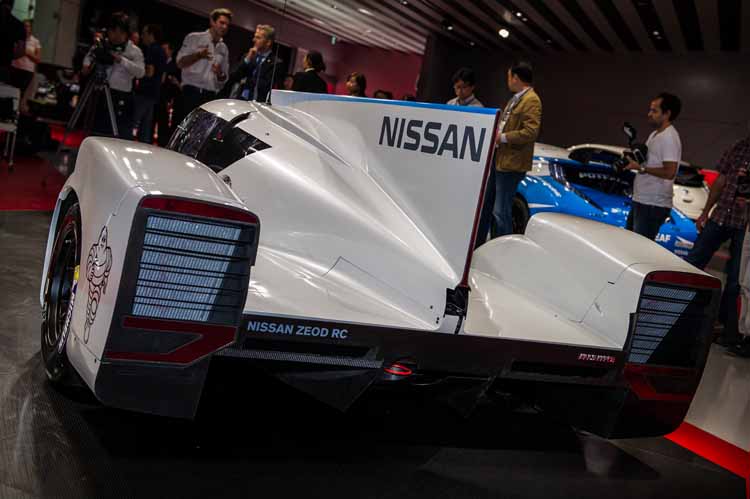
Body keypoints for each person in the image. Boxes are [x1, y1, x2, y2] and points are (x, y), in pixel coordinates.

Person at [685, 134, 750, 348]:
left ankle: (727, 329)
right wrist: (705, 212)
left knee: (736, 280)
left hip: (744, 223)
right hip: (721, 215)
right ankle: (680, 309)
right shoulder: (738, 146)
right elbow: (721, 180)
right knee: (693, 262)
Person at [486, 61, 542, 239]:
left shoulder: (532, 100)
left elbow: (530, 132)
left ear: (516, 78)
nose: (508, 81)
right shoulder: (516, 99)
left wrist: (502, 137)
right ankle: (494, 243)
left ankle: (504, 247)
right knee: (494, 209)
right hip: (500, 159)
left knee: (501, 211)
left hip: (512, 163)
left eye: (509, 77)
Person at [623, 93, 683, 241]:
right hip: (642, 200)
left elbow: (670, 172)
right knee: (629, 245)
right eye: (650, 110)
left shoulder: (669, 137)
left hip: (652, 204)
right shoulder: (655, 134)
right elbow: (649, 163)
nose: (649, 114)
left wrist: (642, 168)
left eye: (654, 111)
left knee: (639, 248)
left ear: (667, 114)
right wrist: (635, 161)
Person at [81, 12, 144, 138]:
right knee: (95, 133)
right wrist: (88, 65)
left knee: (118, 135)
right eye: (112, 31)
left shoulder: (134, 51)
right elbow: (87, 62)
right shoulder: (101, 45)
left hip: (121, 97)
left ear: (126, 34)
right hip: (99, 94)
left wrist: (121, 60)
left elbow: (141, 73)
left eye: (120, 32)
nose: (116, 35)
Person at [177, 8, 231, 114]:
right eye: (222, 23)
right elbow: (180, 63)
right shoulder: (194, 38)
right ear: (212, 21)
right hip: (190, 92)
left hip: (209, 97)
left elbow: (224, 77)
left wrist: (219, 73)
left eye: (227, 25)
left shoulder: (224, 48)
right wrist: (198, 55)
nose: (224, 27)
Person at [223, 24, 282, 102]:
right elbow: (234, 76)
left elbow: (266, 85)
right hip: (240, 100)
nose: (254, 40)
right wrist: (247, 59)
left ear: (268, 42)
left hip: (259, 103)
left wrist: (246, 80)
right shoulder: (248, 56)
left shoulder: (276, 63)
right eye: (255, 37)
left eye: (258, 38)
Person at [132, 24, 166, 143]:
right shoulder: (161, 51)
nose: (142, 36)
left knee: (133, 121)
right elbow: (162, 76)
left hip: (145, 91)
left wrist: (137, 71)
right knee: (145, 128)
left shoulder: (152, 49)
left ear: (151, 35)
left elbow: (150, 72)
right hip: (154, 92)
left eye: (144, 34)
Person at [10, 19, 41, 113]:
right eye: (24, 26)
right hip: (15, 68)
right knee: (12, 90)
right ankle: (10, 110)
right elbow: (12, 53)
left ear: (31, 28)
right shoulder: (17, 38)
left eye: (27, 26)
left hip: (27, 71)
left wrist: (28, 53)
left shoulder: (35, 41)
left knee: (21, 92)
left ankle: (16, 111)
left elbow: (38, 59)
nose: (25, 28)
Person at [156, 41, 181, 146]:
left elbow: (175, 83)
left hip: (169, 97)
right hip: (159, 95)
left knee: (166, 122)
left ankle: (164, 142)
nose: (162, 52)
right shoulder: (160, 62)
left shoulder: (175, 65)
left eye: (164, 49)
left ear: (171, 50)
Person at [0, 0, 25, 84]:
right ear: (12, 5)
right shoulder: (18, 25)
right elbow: (21, 52)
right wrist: (8, 56)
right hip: (4, 66)